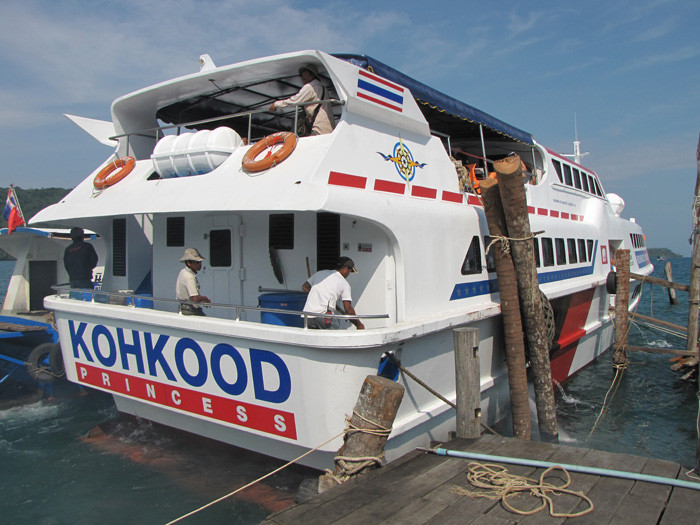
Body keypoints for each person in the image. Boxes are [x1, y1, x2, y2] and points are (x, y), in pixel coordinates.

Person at [268, 64, 335, 136]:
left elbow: (295, 101)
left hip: (318, 127)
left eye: (305, 73)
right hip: (328, 127)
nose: (303, 76)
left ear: (312, 75)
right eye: (302, 74)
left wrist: (276, 105)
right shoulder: (324, 88)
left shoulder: (310, 86)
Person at [301, 256, 364, 330]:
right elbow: (348, 309)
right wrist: (359, 324)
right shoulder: (344, 283)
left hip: (307, 316)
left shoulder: (320, 273)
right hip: (324, 317)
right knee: (330, 339)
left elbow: (304, 287)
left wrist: (318, 296)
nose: (349, 274)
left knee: (312, 340)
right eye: (350, 271)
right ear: (345, 268)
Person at [176, 248, 210, 316]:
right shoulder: (189, 277)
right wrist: (204, 298)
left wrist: (200, 300)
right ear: (189, 263)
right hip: (189, 310)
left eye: (200, 262)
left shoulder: (183, 272)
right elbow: (194, 298)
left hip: (182, 307)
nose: (200, 264)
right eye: (197, 262)